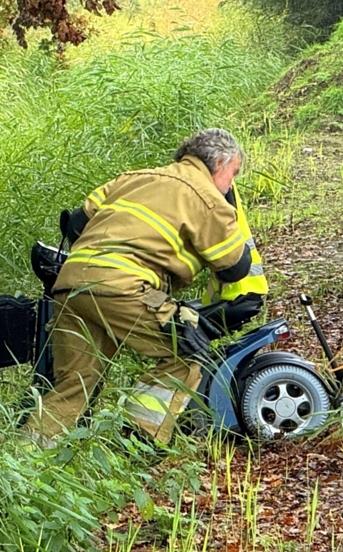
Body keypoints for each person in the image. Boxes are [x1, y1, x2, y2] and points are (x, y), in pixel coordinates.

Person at [22, 128, 253, 446]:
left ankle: (25, 461)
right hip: (125, 288)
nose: (232, 184)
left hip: (71, 285)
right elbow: (234, 267)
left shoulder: (132, 178)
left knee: (74, 384)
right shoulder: (208, 197)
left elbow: (75, 224)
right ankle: (136, 442)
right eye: (234, 174)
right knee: (187, 349)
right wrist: (229, 207)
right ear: (221, 163)